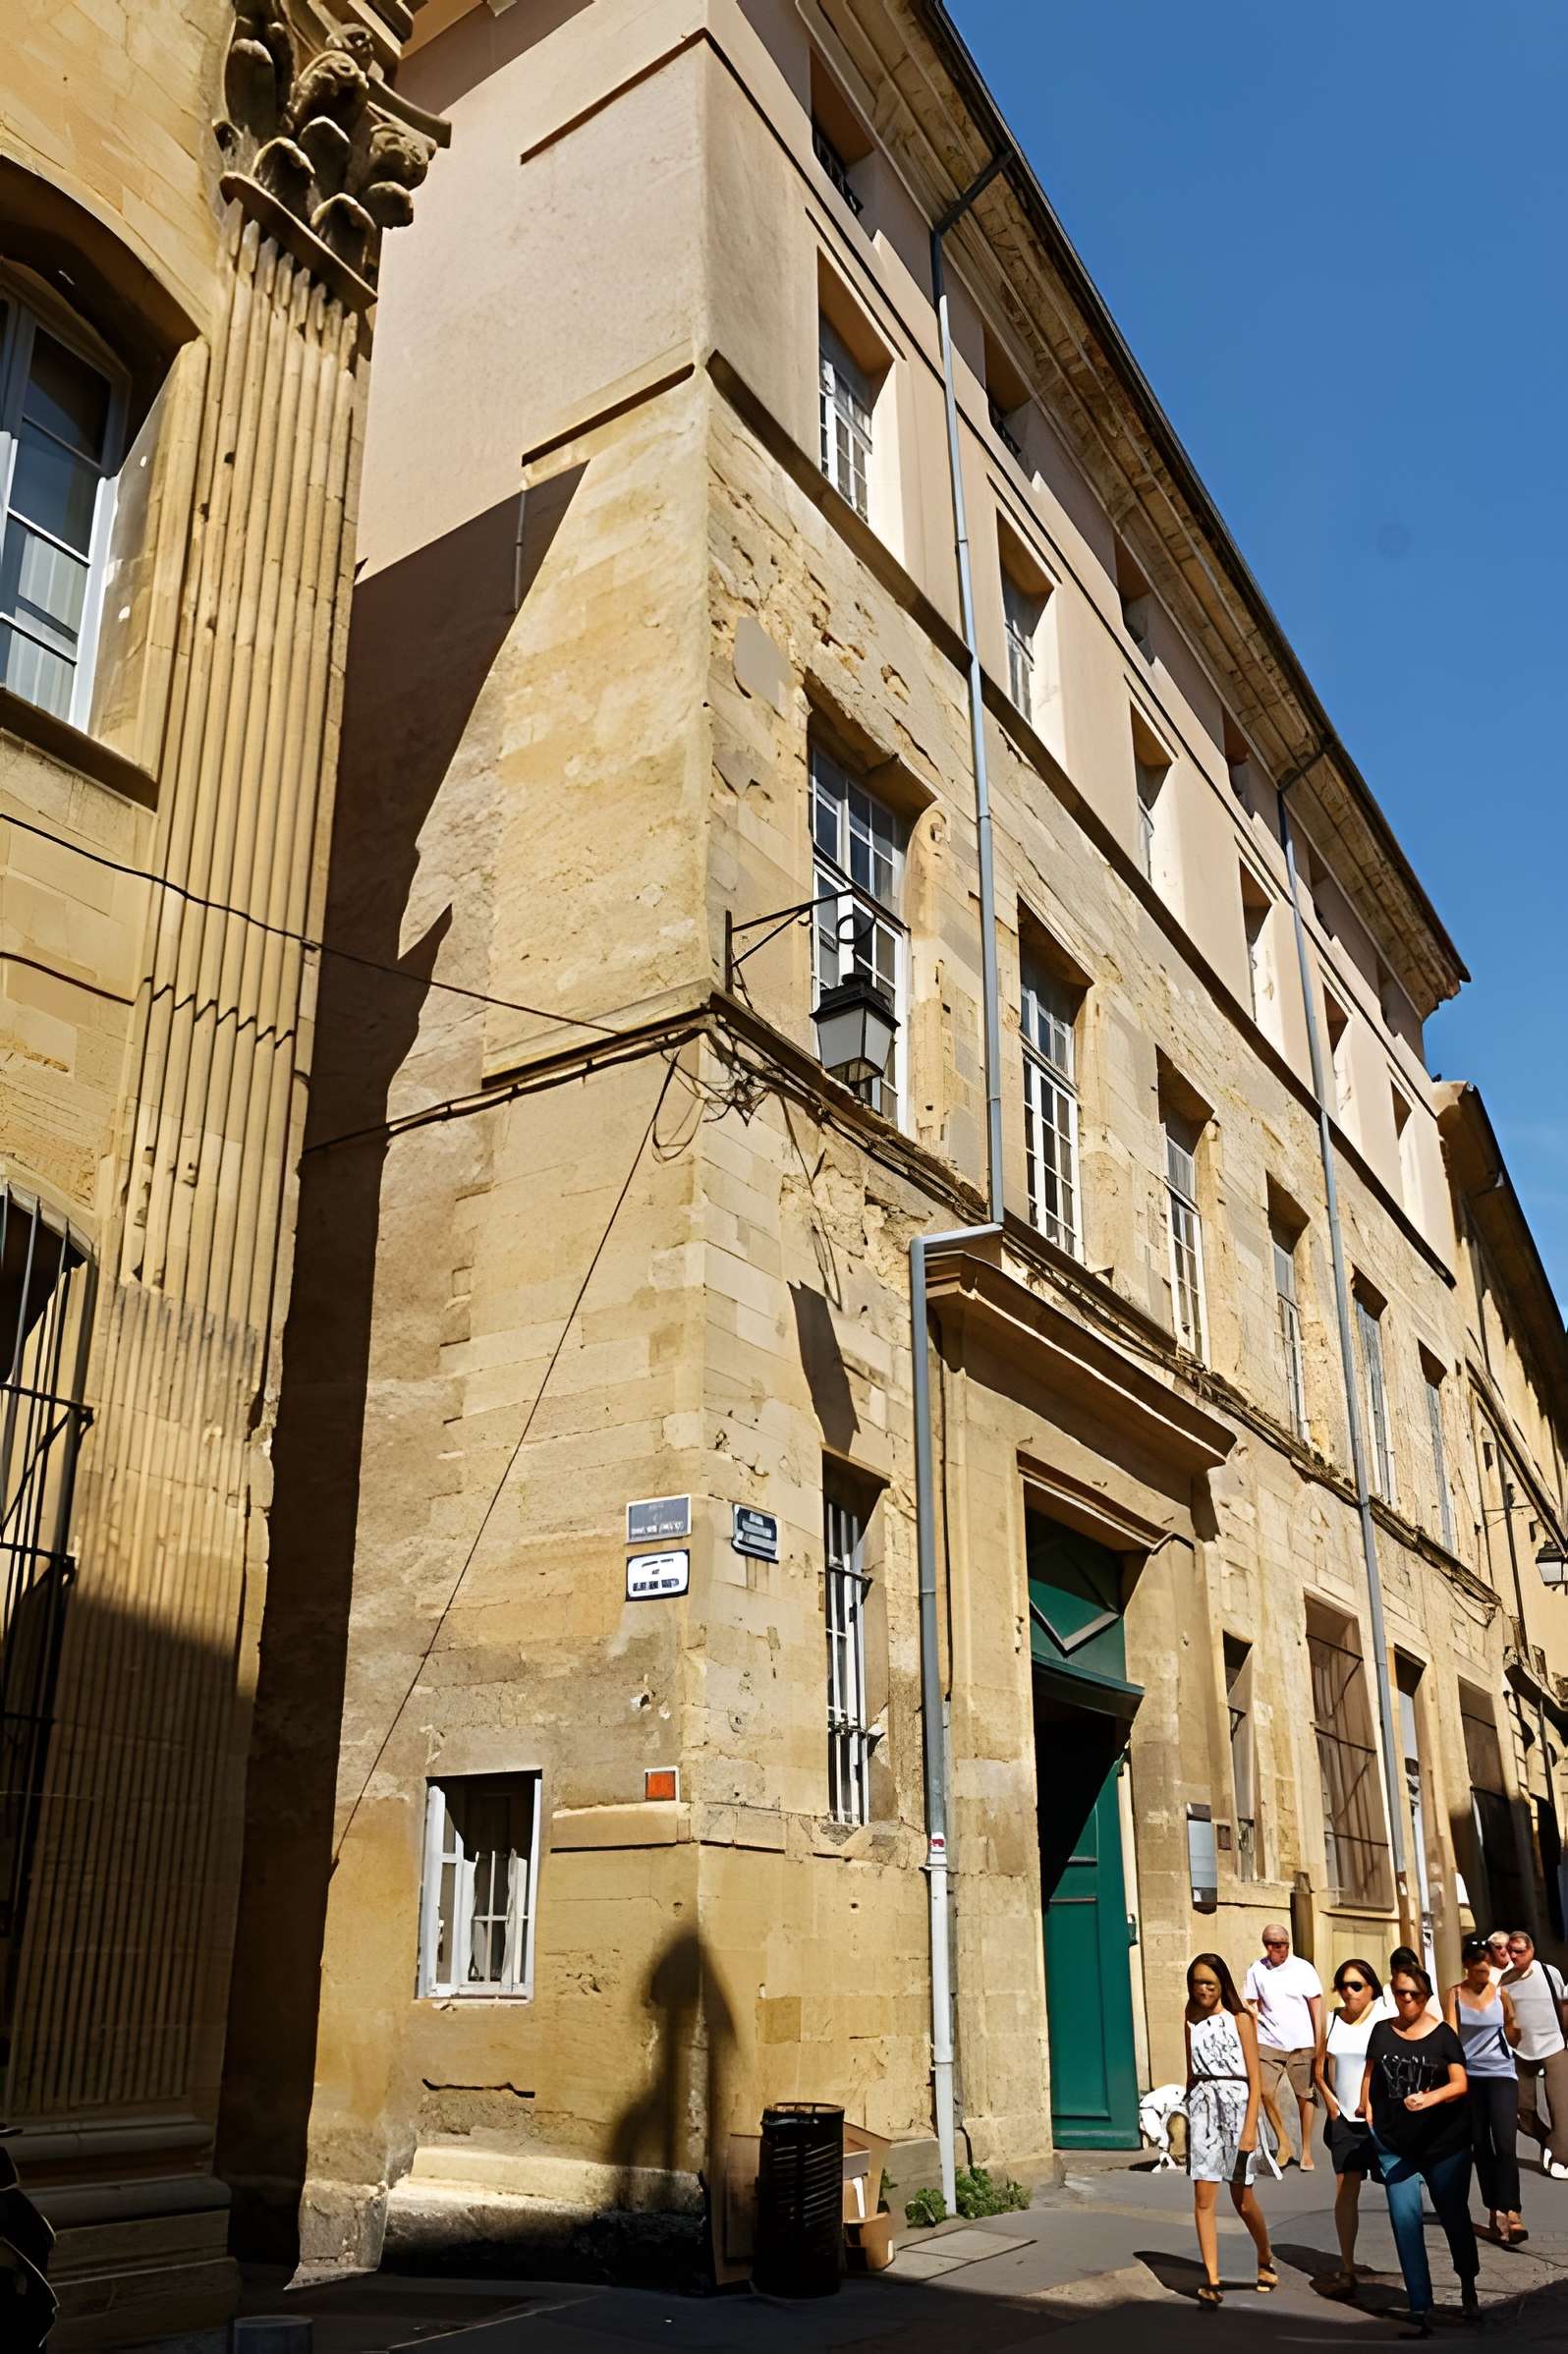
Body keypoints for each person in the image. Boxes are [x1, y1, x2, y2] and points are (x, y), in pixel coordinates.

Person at [1361, 1961, 1479, 2338]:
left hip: (1445, 2144)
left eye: (1414, 1994)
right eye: (1400, 1993)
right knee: (1405, 2222)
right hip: (1396, 2145)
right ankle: (1419, 2305)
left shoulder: (1443, 2036)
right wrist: (1368, 2112)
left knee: (1453, 2216)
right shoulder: (1382, 2031)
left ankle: (1468, 2283)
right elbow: (1371, 2074)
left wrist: (1429, 2099)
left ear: (1426, 1997)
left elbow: (1460, 2084)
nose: (1407, 2000)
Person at [1184, 1951, 1279, 2309]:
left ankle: (1265, 2255)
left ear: (1222, 1983)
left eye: (1210, 1983)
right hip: (1203, 2109)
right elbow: (1190, 2073)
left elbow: (1256, 2080)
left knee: (1242, 2199)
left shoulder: (1240, 2019)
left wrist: (1250, 2130)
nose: (1203, 1990)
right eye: (1197, 1983)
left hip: (1238, 2107)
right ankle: (1211, 2280)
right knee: (1203, 2198)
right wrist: (1186, 2116)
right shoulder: (1190, 2018)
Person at [1444, 1933, 1523, 2245]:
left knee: (1505, 2143)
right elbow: (1452, 2036)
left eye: (1486, 1965)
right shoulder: (1453, 1995)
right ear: (1466, 1965)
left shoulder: (1501, 1994)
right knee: (1481, 2146)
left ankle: (1513, 2213)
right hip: (1470, 2076)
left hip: (1502, 2073)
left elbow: (1513, 2033)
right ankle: (1494, 2211)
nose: (1483, 1971)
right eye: (1477, 1966)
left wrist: (1514, 2027)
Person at [1313, 1957, 1382, 2297]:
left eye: (1356, 1986)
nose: (1349, 1992)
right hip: (1343, 2119)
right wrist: (1330, 2103)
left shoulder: (1384, 2019)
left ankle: (1415, 2265)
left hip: (1378, 2119)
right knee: (1345, 2188)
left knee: (1400, 2189)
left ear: (1371, 1989)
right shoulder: (1331, 2020)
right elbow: (1318, 2068)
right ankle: (1347, 2265)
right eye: (1343, 1986)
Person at [1243, 1924, 1322, 2168]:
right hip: (1268, 2041)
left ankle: (1306, 2149)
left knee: (1304, 2096)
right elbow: (1251, 2005)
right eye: (1268, 1944)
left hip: (1301, 2042)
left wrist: (1319, 2043)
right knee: (1264, 2091)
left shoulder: (1303, 1969)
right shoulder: (1257, 1970)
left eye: (1278, 1945)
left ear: (1287, 1945)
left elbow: (1316, 2007)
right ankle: (1284, 2142)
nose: (1273, 1949)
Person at [1500, 1929, 1568, 2179]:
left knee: (1561, 2108)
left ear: (1531, 1951)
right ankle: (1549, 2140)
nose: (1514, 1956)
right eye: (1511, 1951)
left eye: (1520, 1951)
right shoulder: (1505, 1982)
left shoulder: (1549, 1973)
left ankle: (1561, 2157)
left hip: (1553, 2044)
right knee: (1521, 2109)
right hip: (1521, 2050)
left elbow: (1563, 2006)